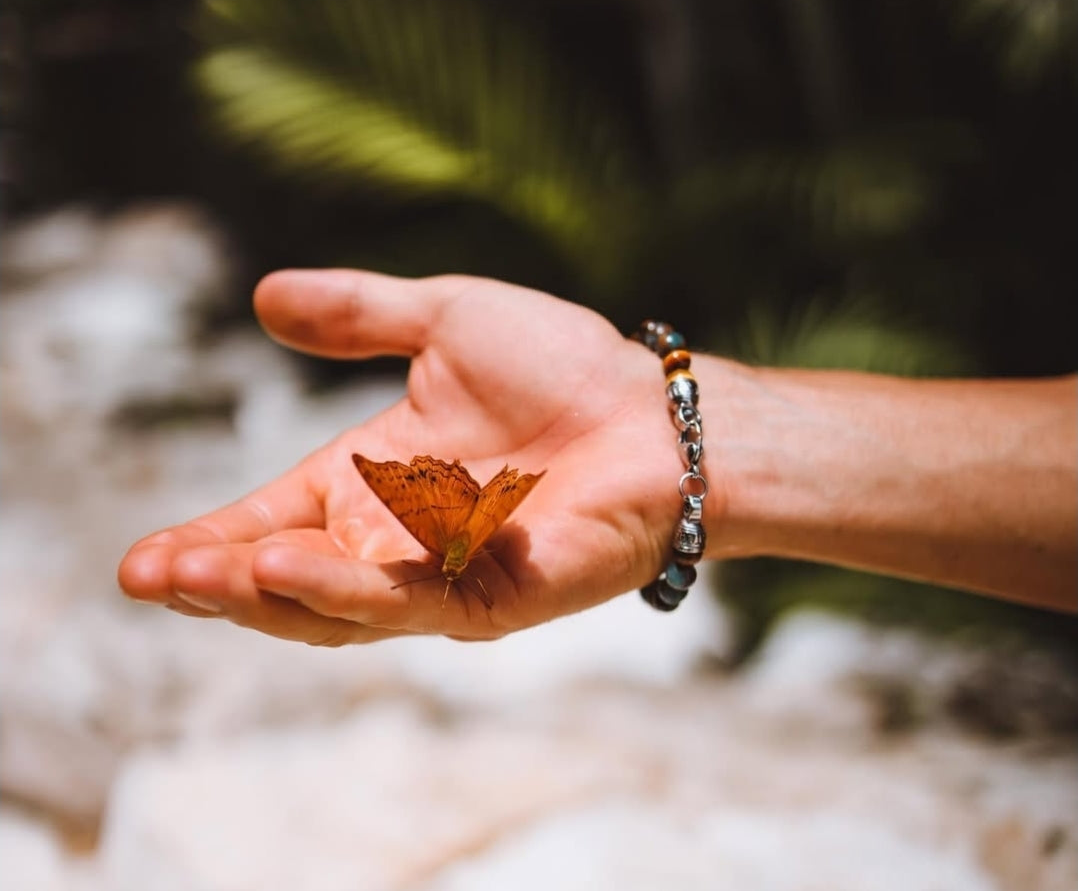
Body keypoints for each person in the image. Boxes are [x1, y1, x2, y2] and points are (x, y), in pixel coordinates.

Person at [118, 269, 1077, 645]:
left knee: (452, 560)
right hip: (477, 519)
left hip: (475, 522)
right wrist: (675, 443)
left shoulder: (476, 530)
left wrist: (659, 434)